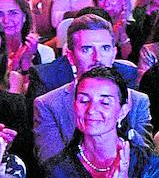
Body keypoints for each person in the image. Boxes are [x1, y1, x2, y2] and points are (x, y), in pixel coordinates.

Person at [34, 15, 152, 166]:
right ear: (70, 57)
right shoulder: (48, 105)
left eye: (105, 48)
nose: (98, 58)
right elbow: (51, 167)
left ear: (114, 53)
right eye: (87, 49)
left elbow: (147, 164)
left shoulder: (137, 101)